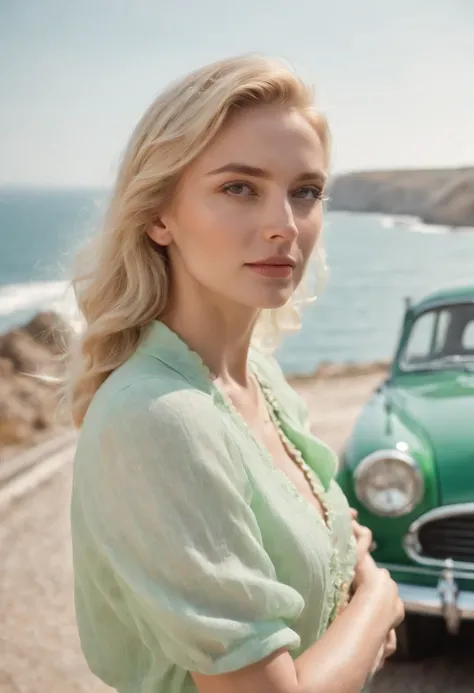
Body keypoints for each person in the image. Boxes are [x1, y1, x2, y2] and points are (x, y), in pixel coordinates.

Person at [69, 54, 404, 693]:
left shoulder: (261, 381)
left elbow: (335, 536)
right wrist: (381, 604)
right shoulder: (160, 418)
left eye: (305, 191)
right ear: (158, 215)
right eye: (239, 187)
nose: (285, 225)